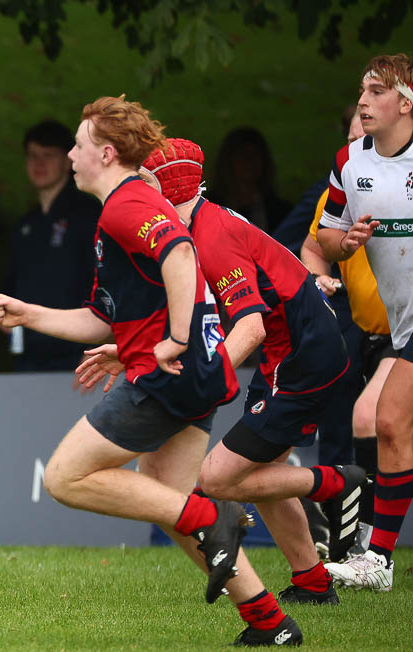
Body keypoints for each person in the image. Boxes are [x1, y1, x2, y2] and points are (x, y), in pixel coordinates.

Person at [0, 96, 302, 647]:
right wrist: (27, 314)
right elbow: (100, 318)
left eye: (79, 145)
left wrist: (177, 339)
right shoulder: (125, 206)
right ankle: (269, 623)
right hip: (194, 377)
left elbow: (180, 254)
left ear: (106, 153)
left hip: (167, 376)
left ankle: (213, 517)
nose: (70, 154)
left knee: (64, 477)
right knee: (169, 501)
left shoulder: (124, 206)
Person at [80, 137, 368, 607]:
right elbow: (202, 320)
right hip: (293, 352)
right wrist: (141, 350)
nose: (135, 197)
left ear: (166, 189)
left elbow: (249, 328)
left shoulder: (209, 236)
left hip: (301, 357)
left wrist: (204, 377)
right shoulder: (199, 225)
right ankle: (313, 584)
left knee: (217, 479)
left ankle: (338, 483)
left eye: (144, 185)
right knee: (260, 469)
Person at [317, 53, 413, 591]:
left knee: (392, 420)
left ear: (405, 103)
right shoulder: (350, 163)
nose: (362, 101)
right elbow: (324, 237)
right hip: (403, 324)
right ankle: (380, 560)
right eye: (362, 90)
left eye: (376, 91)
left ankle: (376, 558)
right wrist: (346, 240)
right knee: (393, 425)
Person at [300, 107, 391, 558]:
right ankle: (347, 539)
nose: (360, 128)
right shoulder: (342, 187)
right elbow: (314, 246)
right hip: (360, 326)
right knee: (349, 423)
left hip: (400, 328)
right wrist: (318, 276)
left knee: (371, 418)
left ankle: (370, 548)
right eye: (356, 120)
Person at [4, 120, 101, 371]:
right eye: (33, 156)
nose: (39, 163)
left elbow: (106, 284)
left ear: (69, 160)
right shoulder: (25, 225)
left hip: (78, 354)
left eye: (48, 156)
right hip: (27, 353)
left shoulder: (88, 214)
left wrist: (100, 346)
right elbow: (12, 286)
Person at [206, 127, 292, 233]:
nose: (249, 162)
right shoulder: (207, 209)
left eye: (254, 155)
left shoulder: (279, 212)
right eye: (243, 155)